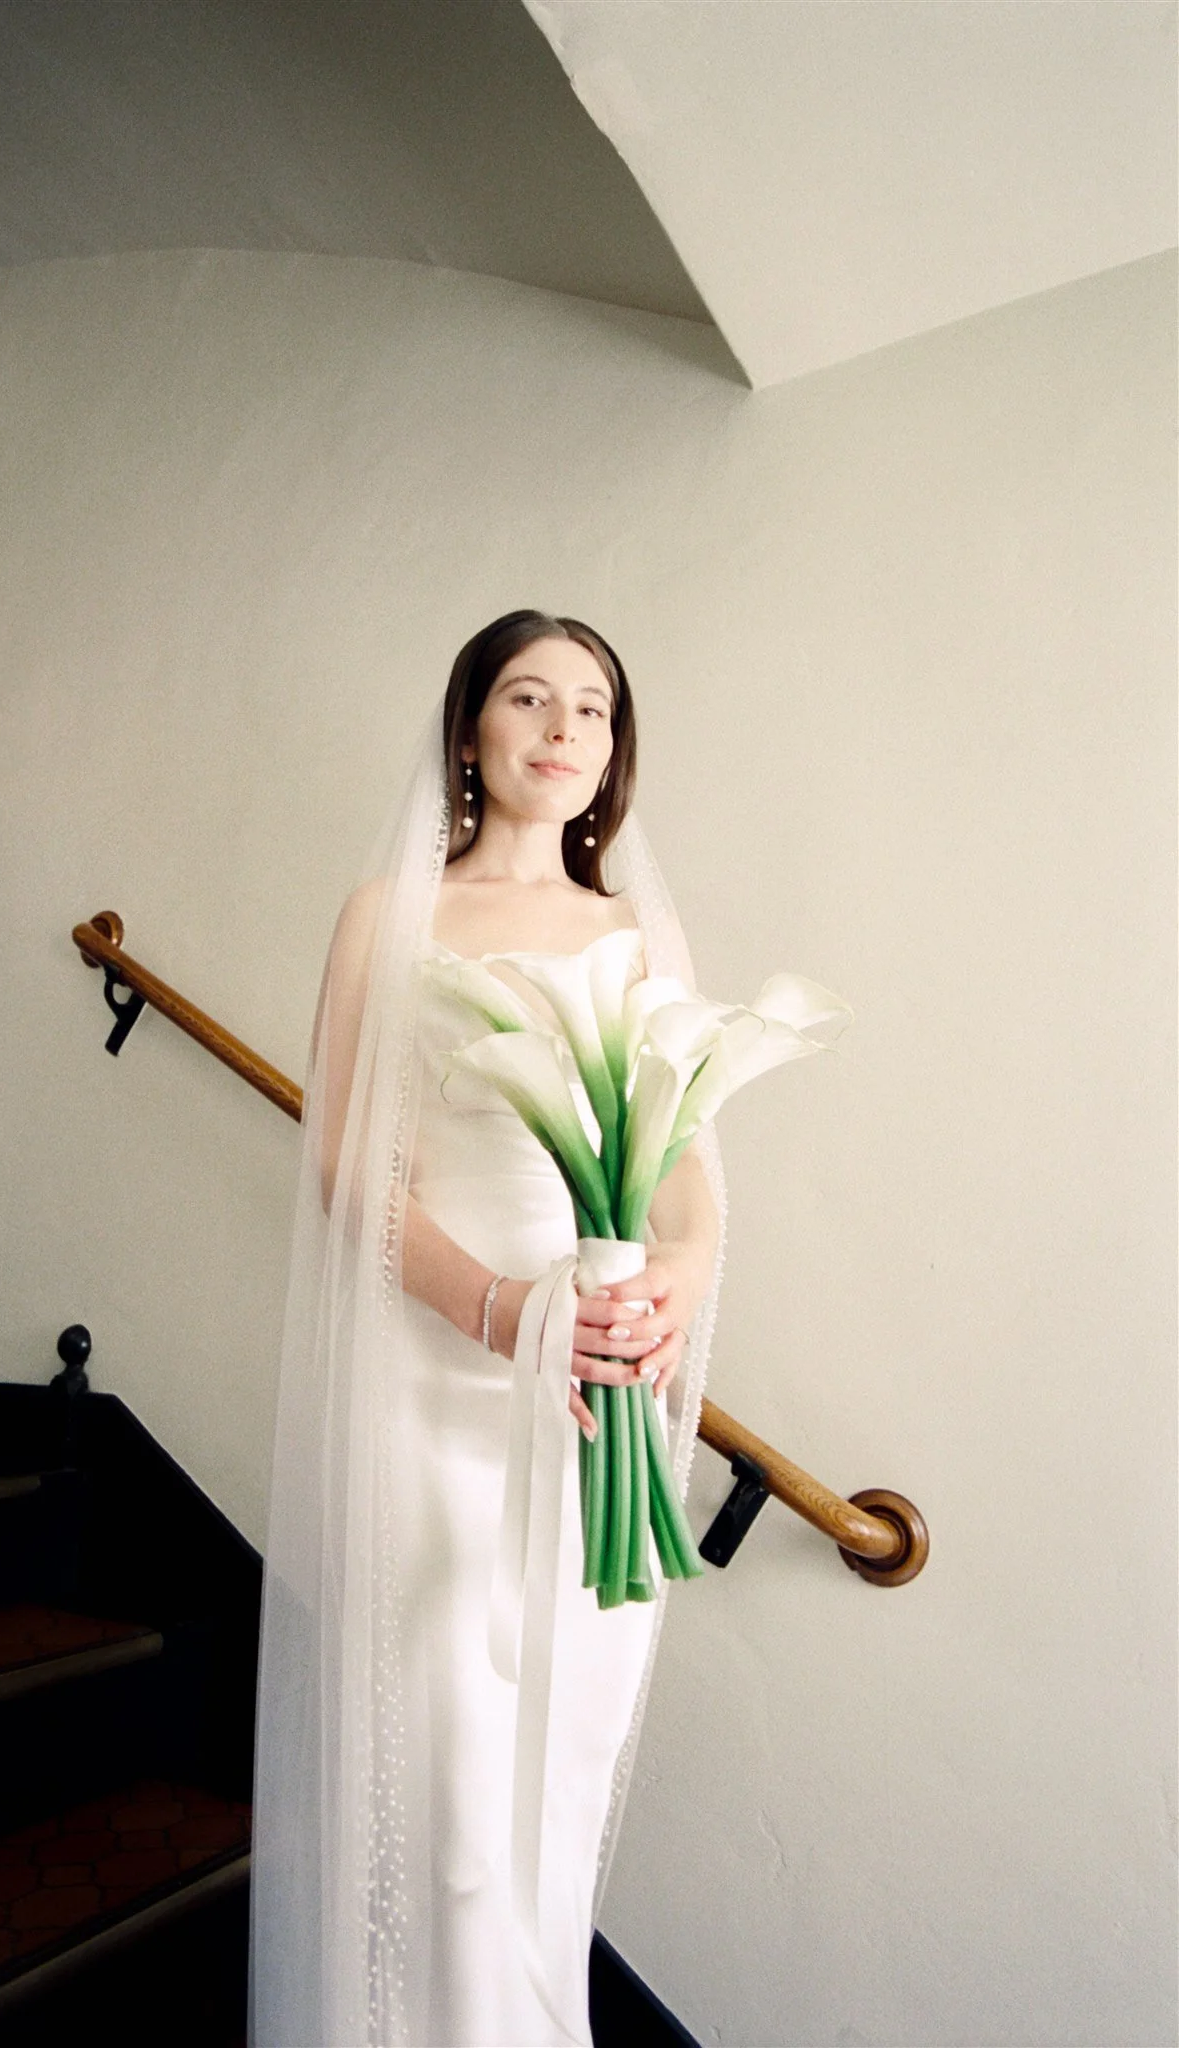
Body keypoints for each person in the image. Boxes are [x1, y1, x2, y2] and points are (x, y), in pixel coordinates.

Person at [249, 611, 727, 2047]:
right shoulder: (383, 912)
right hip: (439, 1377)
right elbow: (346, 1163)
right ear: (469, 731)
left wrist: (679, 1288)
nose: (562, 725)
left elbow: (686, 1154)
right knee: (450, 1768)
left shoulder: (629, 936)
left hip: (599, 1393)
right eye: (528, 696)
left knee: (563, 1760)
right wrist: (502, 1308)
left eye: (590, 705)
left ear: (611, 750)